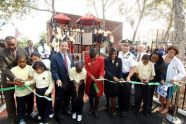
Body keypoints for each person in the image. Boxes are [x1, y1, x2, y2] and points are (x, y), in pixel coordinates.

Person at [0, 36, 28, 124]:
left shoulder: (23, 50)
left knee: (25, 96)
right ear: (5, 44)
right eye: (9, 45)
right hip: (8, 80)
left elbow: (29, 61)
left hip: (22, 78)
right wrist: (14, 78)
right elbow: (4, 69)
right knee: (9, 99)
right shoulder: (1, 53)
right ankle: (12, 117)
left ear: (17, 42)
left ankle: (26, 113)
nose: (12, 46)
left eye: (13, 44)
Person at [158, 45, 186, 114]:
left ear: (175, 54)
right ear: (168, 51)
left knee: (168, 96)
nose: (171, 54)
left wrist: (175, 78)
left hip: (170, 81)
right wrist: (161, 78)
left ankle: (166, 108)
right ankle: (161, 106)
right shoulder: (162, 58)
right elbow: (159, 69)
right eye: (170, 52)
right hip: (162, 79)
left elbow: (183, 73)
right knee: (161, 94)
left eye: (173, 53)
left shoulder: (177, 61)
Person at [51, 41, 74, 122]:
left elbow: (73, 68)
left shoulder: (70, 56)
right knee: (59, 98)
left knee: (67, 97)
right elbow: (53, 71)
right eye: (62, 46)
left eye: (65, 46)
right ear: (59, 46)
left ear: (68, 47)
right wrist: (57, 79)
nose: (64, 47)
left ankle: (66, 109)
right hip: (60, 81)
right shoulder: (54, 57)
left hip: (69, 80)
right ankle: (57, 114)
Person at [10, 55, 34, 124]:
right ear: (17, 61)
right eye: (20, 62)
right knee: (21, 106)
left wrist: (24, 82)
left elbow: (31, 78)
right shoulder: (13, 69)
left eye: (24, 62)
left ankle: (30, 112)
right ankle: (21, 118)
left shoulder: (29, 68)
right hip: (19, 93)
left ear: (26, 61)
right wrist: (16, 83)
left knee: (30, 103)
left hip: (29, 91)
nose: (22, 63)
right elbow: (8, 81)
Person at [118, 39, 137, 117]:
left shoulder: (131, 56)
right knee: (120, 91)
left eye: (127, 46)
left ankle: (125, 110)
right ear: (121, 46)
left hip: (127, 76)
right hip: (120, 75)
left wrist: (129, 77)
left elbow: (133, 68)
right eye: (124, 45)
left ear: (129, 47)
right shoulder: (119, 53)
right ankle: (120, 106)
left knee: (126, 93)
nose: (125, 47)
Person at [84, 48, 104, 118]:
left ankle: (96, 109)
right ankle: (91, 107)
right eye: (91, 58)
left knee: (97, 96)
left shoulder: (101, 60)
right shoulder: (86, 59)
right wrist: (90, 75)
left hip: (97, 82)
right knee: (90, 95)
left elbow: (102, 70)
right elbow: (86, 69)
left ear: (97, 55)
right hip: (90, 81)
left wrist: (101, 76)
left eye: (94, 58)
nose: (92, 59)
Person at [104, 48, 122, 117]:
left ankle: (113, 110)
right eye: (113, 54)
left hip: (115, 81)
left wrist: (120, 77)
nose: (114, 55)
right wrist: (112, 77)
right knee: (107, 94)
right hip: (108, 80)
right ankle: (107, 104)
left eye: (115, 54)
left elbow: (120, 70)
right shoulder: (106, 60)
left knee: (114, 96)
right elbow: (106, 70)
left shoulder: (119, 60)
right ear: (110, 54)